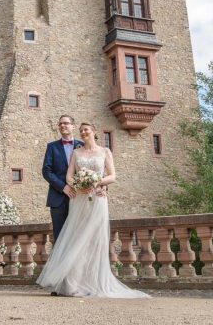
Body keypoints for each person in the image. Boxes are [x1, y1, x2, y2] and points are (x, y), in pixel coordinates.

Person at [36, 122, 150, 299]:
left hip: (97, 200)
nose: (83, 132)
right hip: (79, 200)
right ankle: (72, 285)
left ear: (94, 132)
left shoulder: (105, 152)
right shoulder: (76, 152)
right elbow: (68, 177)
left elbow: (112, 176)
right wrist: (80, 185)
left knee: (93, 241)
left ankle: (92, 283)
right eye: (81, 130)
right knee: (76, 239)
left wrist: (97, 183)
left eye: (86, 130)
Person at [41, 115, 83, 245]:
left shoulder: (82, 146)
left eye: (65, 123)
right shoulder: (52, 147)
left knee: (79, 236)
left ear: (73, 126)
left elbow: (93, 170)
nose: (62, 126)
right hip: (58, 198)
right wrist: (63, 187)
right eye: (60, 124)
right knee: (60, 238)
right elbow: (46, 171)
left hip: (80, 197)